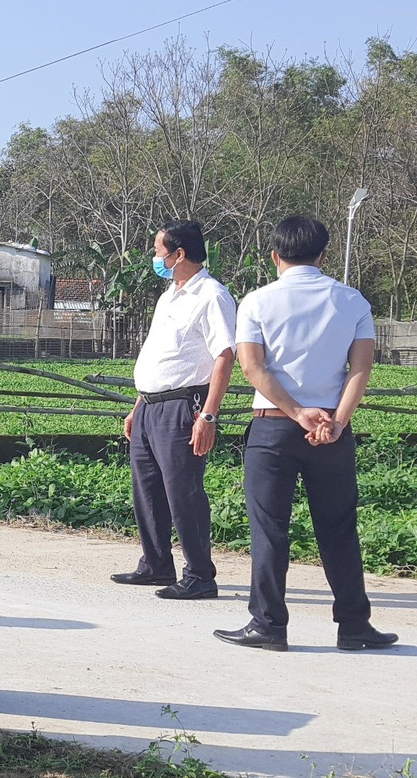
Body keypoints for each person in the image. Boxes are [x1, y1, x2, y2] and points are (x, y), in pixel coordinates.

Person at [216, 215, 397, 653]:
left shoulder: (257, 302)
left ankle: (268, 625)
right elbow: (361, 368)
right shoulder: (352, 301)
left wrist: (297, 412)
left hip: (274, 429)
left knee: (270, 528)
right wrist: (336, 420)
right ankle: (354, 625)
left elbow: (252, 367)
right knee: (338, 528)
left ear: (275, 255)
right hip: (332, 432)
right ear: (324, 254)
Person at [111, 220, 237, 600]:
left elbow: (225, 355)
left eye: (157, 251)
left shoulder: (212, 296)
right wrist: (138, 406)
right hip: (150, 405)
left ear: (178, 254)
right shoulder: (169, 295)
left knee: (183, 491)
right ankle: (156, 563)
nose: (154, 257)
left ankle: (200, 573)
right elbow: (158, 357)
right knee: (147, 489)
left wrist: (209, 415)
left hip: (184, 404)